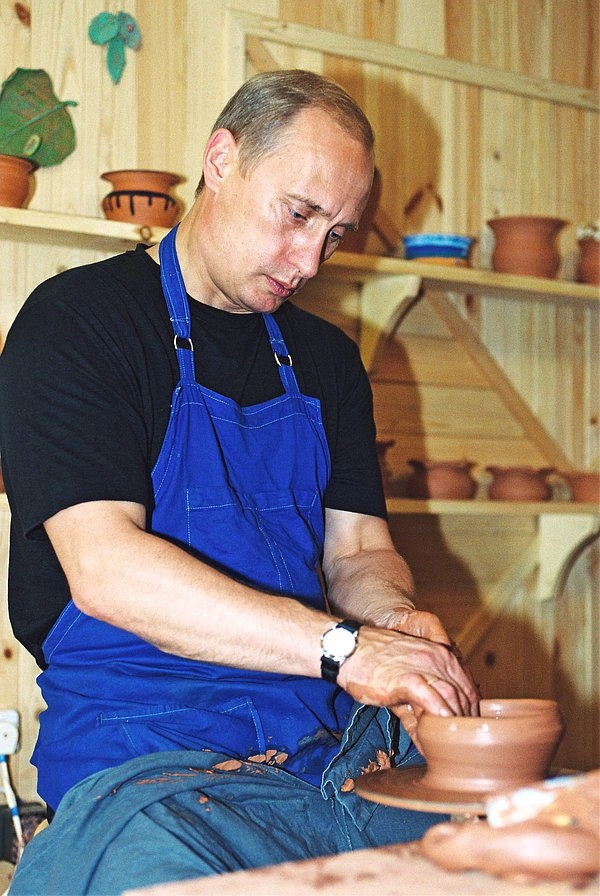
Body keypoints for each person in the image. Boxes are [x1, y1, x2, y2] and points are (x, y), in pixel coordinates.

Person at [0, 70, 478, 892]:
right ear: (221, 159)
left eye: (335, 234)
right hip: (146, 758)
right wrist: (346, 647)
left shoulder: (328, 360)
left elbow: (358, 552)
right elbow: (107, 570)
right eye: (297, 214)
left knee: (520, 845)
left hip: (324, 745)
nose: (310, 260)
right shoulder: (79, 321)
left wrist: (396, 622)